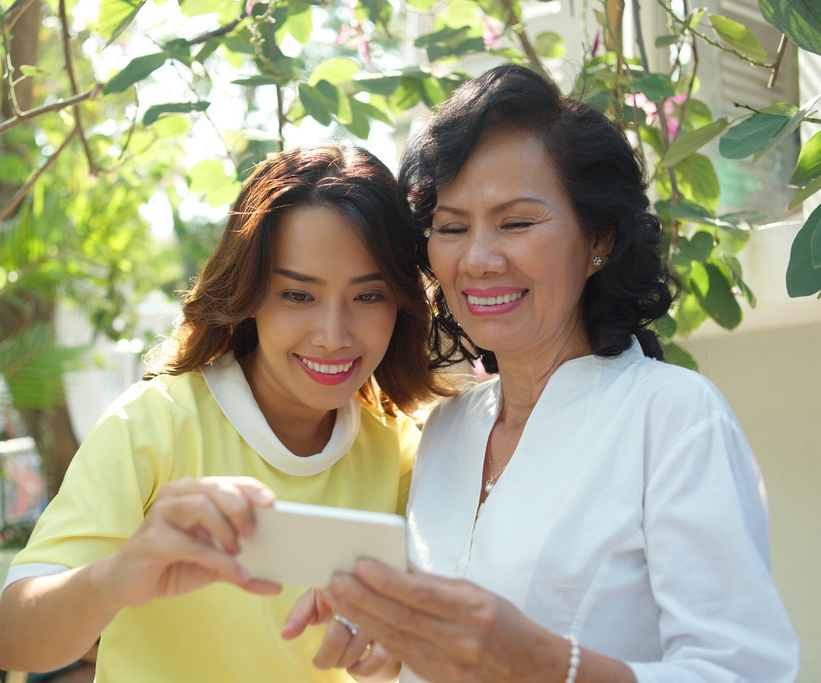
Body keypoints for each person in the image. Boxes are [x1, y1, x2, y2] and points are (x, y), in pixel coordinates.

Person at [289, 64, 800, 681]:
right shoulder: (448, 428)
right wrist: (390, 633)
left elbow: (747, 671)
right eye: (451, 228)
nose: (477, 259)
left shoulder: (673, 416)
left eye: (517, 223)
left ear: (598, 240)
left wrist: (545, 663)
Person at [0, 144, 447, 682]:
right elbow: (14, 644)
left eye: (369, 297)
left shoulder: (398, 449)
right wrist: (121, 574)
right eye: (298, 296)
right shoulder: (153, 424)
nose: (333, 335)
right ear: (249, 294)